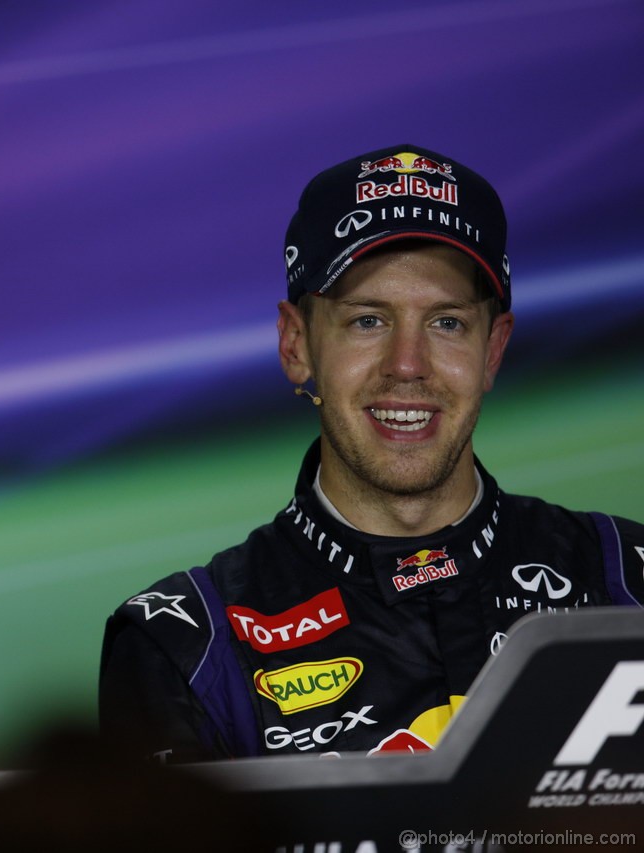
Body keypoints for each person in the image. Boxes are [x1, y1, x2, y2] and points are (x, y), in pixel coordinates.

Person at [99, 144, 644, 762]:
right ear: (297, 345)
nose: (407, 366)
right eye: (367, 321)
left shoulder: (626, 577)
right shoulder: (184, 646)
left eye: (447, 323)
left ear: (493, 350)